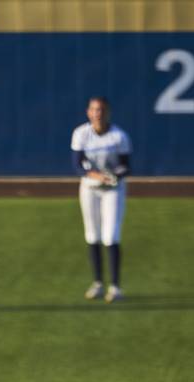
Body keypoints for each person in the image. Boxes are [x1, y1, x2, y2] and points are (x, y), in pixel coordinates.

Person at [70, 96, 132, 303]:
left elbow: (126, 166)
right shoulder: (81, 134)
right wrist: (95, 175)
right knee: (92, 234)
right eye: (94, 110)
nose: (98, 114)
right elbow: (78, 164)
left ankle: (114, 286)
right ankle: (98, 283)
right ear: (88, 112)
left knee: (111, 236)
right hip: (89, 189)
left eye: (102, 110)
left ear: (108, 113)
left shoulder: (118, 136)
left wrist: (113, 175)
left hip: (112, 190)